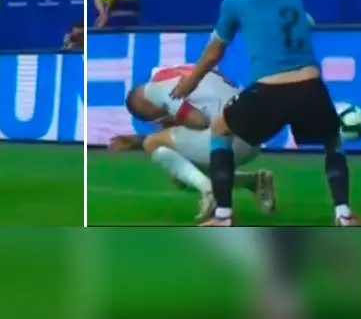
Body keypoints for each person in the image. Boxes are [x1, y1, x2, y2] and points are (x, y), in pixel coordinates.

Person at [171, 0, 358, 227]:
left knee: (220, 127)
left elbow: (214, 52)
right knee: (332, 139)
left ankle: (222, 216)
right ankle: (344, 213)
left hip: (272, 89)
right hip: (311, 86)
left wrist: (191, 81)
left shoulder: (235, 0)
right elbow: (305, 23)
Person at [110, 64, 276, 221]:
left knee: (152, 145)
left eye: (154, 117)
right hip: (254, 139)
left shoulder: (154, 90)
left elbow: (199, 121)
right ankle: (253, 181)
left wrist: (148, 137)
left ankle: (209, 192)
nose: (160, 121)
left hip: (229, 141)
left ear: (145, 106)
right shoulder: (190, 70)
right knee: (182, 170)